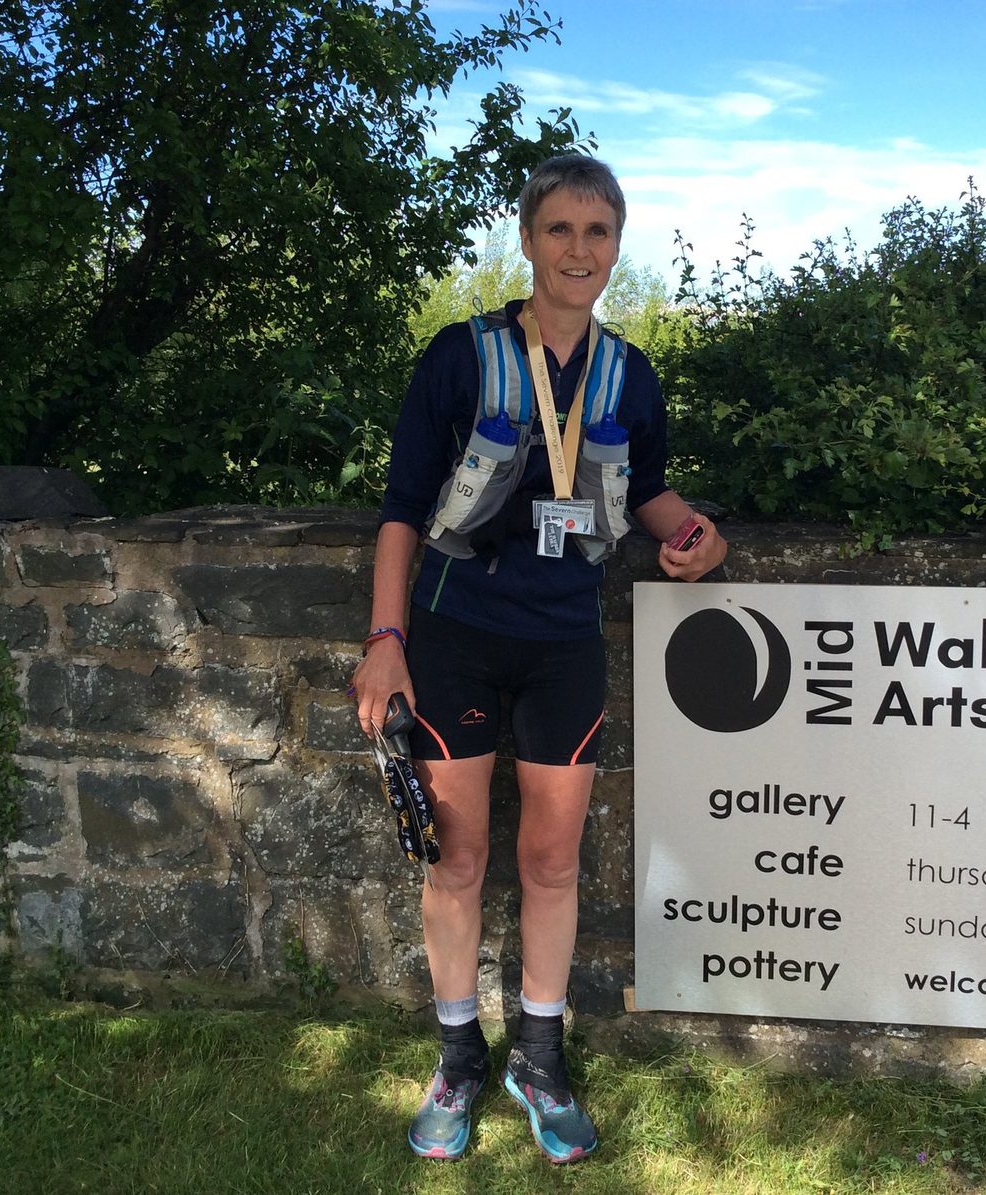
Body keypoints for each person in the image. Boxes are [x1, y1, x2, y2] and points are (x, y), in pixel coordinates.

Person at [350, 154, 727, 1164]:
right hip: (454, 636)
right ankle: (457, 1056)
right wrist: (385, 642)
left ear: (617, 246)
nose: (579, 249)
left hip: (564, 641)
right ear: (526, 239)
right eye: (560, 228)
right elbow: (402, 508)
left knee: (552, 861)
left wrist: (695, 534)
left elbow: (646, 490)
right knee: (458, 858)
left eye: (598, 232)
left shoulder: (628, 373)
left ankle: (540, 1057)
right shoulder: (461, 356)